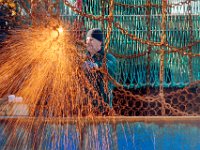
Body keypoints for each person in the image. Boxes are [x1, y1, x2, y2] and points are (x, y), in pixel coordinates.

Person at [82, 28, 117, 108]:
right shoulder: (83, 58)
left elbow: (111, 66)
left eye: (91, 40)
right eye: (87, 40)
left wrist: (96, 66)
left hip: (103, 105)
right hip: (86, 105)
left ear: (100, 42)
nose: (88, 43)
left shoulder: (108, 57)